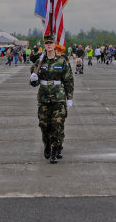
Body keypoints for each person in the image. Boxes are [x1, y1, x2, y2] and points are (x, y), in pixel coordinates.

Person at [30, 35, 74, 164]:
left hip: (58, 97)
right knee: (44, 125)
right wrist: (33, 79)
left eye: (51, 43)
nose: (49, 45)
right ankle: (47, 144)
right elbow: (34, 83)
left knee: (57, 124)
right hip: (43, 97)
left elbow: (68, 80)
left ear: (55, 45)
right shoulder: (40, 62)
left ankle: (55, 151)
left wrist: (69, 98)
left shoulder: (61, 61)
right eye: (47, 43)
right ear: (45, 45)